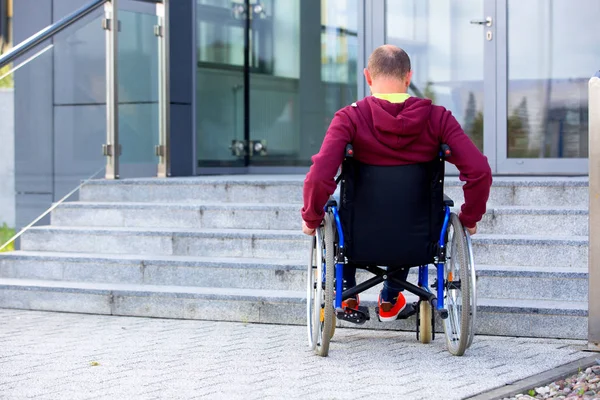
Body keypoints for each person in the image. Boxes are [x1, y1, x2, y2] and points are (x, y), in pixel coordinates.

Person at [301, 45, 492, 321]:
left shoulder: (349, 118)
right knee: (408, 212)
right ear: (408, 76)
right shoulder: (438, 118)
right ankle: (390, 297)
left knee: (337, 211)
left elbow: (320, 175)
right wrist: (470, 217)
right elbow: (479, 171)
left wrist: (310, 217)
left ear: (368, 77)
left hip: (357, 237)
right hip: (418, 237)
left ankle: (346, 290)